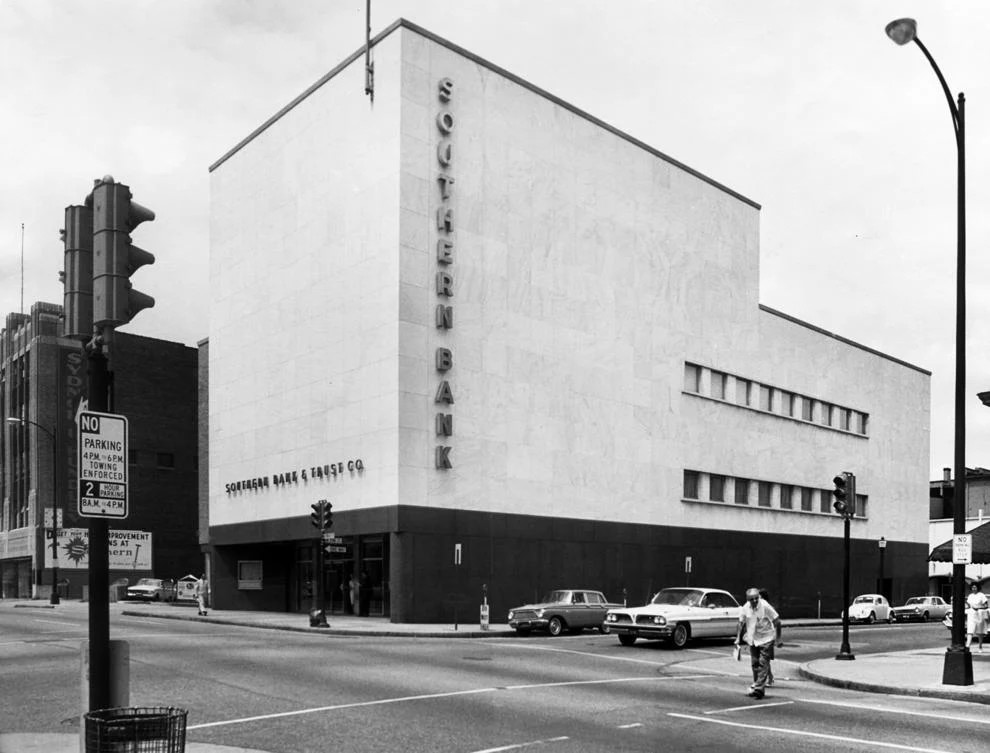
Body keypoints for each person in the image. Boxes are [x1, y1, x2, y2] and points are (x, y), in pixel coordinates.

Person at [735, 587, 782, 699]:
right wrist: (737, 638)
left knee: (763, 662)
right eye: (752, 599)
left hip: (766, 638)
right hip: (753, 639)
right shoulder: (745, 608)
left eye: (756, 598)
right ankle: (757, 685)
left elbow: (777, 621)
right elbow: (740, 623)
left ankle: (759, 689)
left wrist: (778, 638)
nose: (755, 601)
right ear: (748, 600)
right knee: (755, 663)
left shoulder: (765, 606)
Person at [758, 589, 776, 688]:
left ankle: (768, 678)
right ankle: (769, 677)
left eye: (759, 596)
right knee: (765, 659)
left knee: (765, 659)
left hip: (768, 636)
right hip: (763, 635)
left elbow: (775, 621)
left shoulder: (766, 607)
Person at [965, 583, 988, 652]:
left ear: (978, 588)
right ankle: (967, 646)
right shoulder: (970, 596)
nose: (974, 589)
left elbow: (986, 605)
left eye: (975, 587)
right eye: (972, 587)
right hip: (971, 614)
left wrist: (979, 607)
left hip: (980, 614)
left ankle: (980, 646)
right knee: (970, 630)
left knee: (979, 632)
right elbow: (968, 605)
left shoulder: (981, 595)